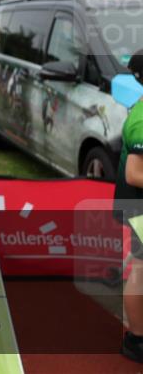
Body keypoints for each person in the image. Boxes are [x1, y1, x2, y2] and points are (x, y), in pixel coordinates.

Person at [115, 50, 143, 362]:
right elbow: (134, 174)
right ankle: (137, 339)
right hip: (139, 206)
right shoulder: (142, 119)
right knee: (141, 268)